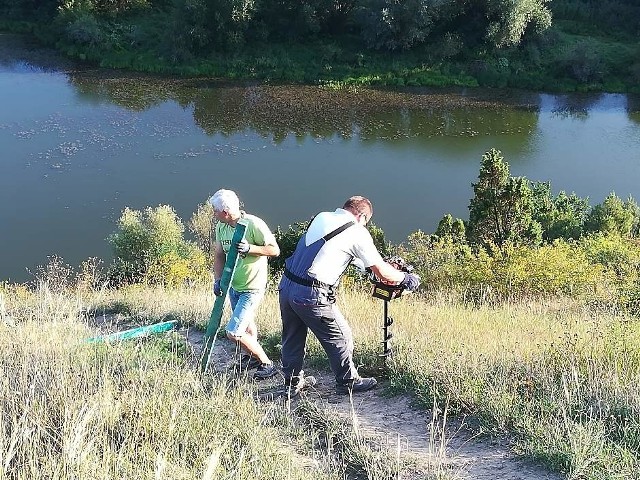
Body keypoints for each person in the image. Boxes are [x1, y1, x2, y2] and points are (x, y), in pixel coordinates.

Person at [279, 195, 420, 395]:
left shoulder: (322, 217)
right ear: (362, 216)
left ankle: (292, 382)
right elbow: (383, 272)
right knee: (341, 335)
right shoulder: (357, 232)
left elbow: (336, 252)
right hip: (311, 294)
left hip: (287, 285)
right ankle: (348, 381)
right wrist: (406, 278)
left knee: (292, 335)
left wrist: (368, 266)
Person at [210, 189, 280, 379]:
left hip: (252, 286)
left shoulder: (253, 224)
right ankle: (251, 357)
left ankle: (266, 363)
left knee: (234, 332)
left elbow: (274, 250)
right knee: (247, 325)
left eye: (215, 211)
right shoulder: (221, 227)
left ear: (225, 211)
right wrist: (218, 280)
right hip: (234, 286)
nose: (213, 214)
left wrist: (251, 248)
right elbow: (219, 255)